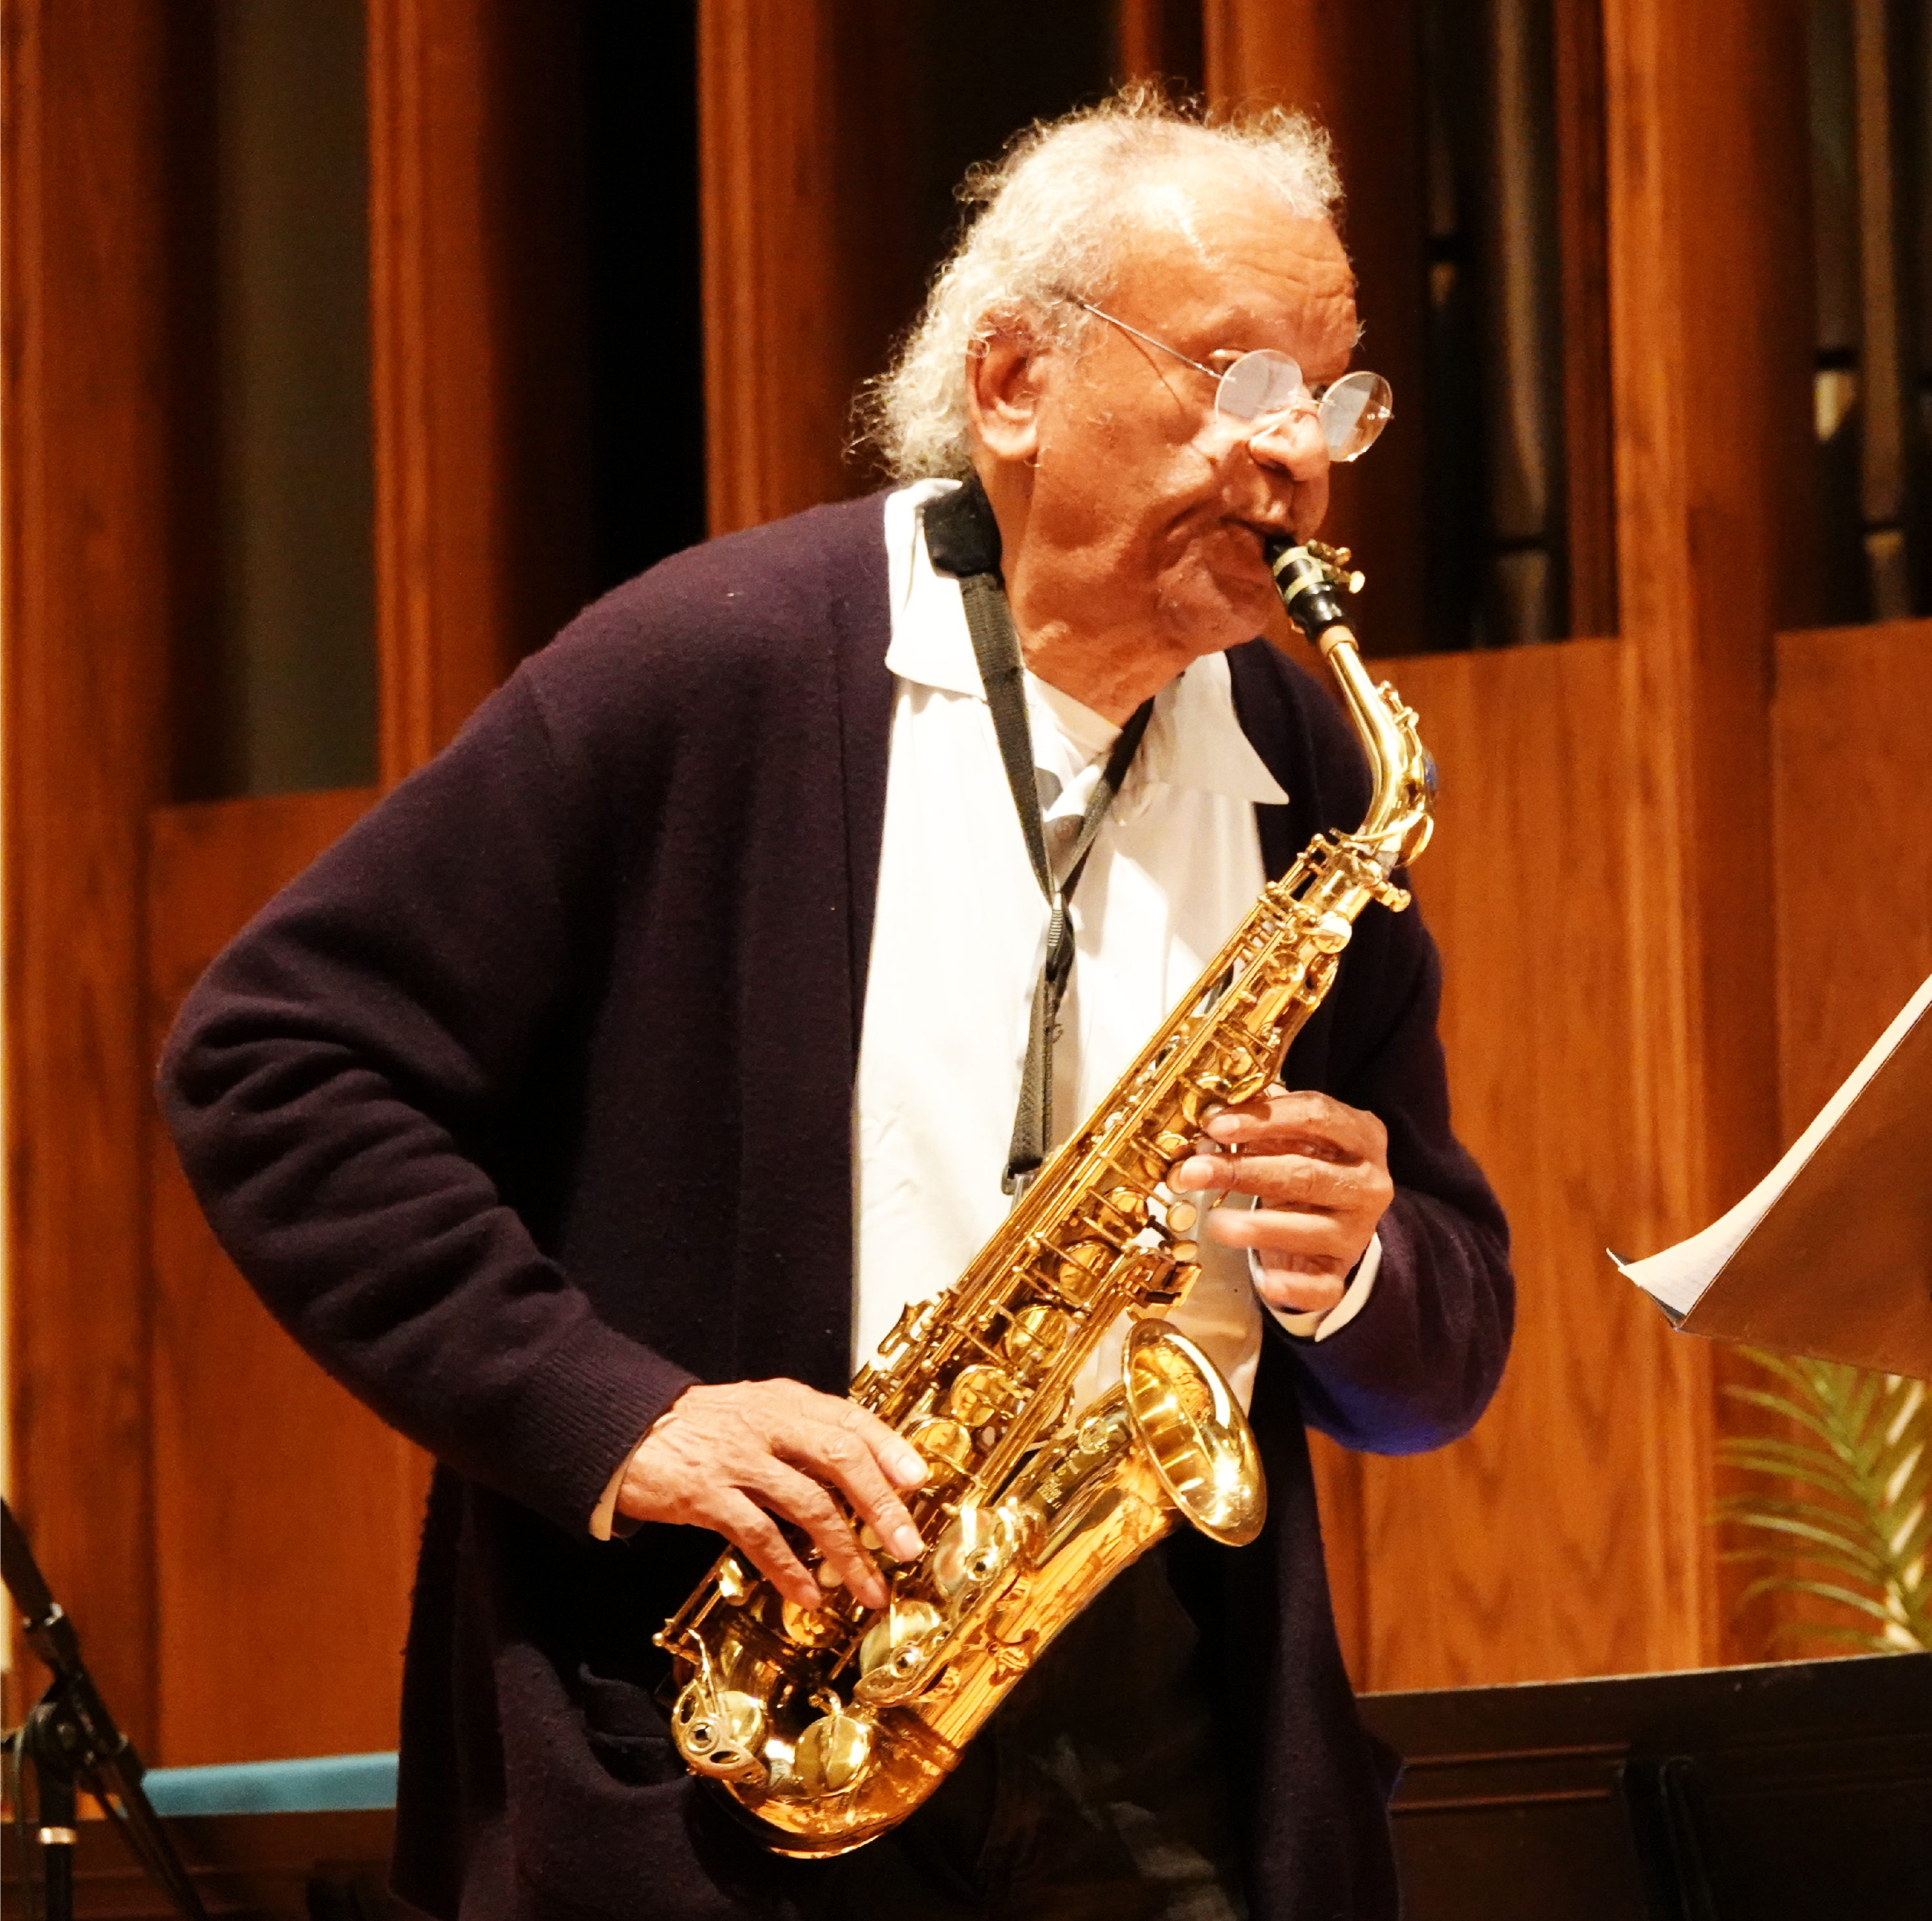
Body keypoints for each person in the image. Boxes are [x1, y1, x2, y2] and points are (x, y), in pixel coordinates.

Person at [162, 93, 1511, 1921]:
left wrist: (1356, 1264)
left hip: (1156, 1750)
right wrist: (616, 1415)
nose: (1295, 461)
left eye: (1332, 401)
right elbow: (274, 1060)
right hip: (725, 1749)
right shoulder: (708, 669)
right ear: (1017, 379)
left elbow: (1444, 1354)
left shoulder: (1313, 765)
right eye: (1231, 379)